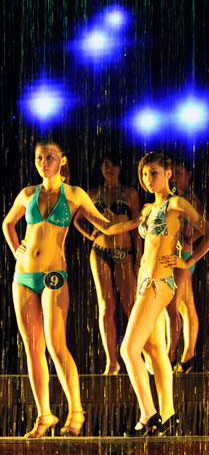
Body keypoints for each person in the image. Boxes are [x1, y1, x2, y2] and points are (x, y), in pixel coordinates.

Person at [2, 140, 139, 437]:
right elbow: (7, 223)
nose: (44, 162)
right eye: (39, 157)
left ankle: (76, 411)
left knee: (56, 344)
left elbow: (105, 226)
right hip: (23, 276)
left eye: (50, 157)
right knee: (33, 348)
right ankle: (45, 415)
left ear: (62, 160)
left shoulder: (74, 194)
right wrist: (15, 249)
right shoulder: (28, 194)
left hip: (53, 274)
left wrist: (137, 222)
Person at [120, 152, 209, 435]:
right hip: (144, 282)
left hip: (159, 283)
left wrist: (187, 261)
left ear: (168, 174)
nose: (148, 179)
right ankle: (168, 414)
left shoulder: (176, 204)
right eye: (144, 174)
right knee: (155, 351)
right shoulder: (148, 209)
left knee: (128, 349)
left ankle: (148, 414)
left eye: (154, 173)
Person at [74, 154, 142, 374]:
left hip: (124, 251)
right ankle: (111, 362)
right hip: (100, 251)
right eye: (105, 165)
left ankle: (140, 353)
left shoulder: (130, 194)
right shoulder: (93, 194)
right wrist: (90, 234)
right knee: (106, 306)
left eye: (113, 165)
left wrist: (139, 257)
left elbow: (137, 228)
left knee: (131, 305)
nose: (109, 169)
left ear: (120, 168)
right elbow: (77, 219)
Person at [167, 159, 205, 372]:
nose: (174, 178)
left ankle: (170, 355)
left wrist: (190, 238)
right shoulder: (177, 197)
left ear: (189, 174)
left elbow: (206, 223)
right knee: (186, 305)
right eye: (173, 174)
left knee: (174, 306)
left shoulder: (189, 198)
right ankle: (189, 355)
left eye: (179, 173)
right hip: (179, 254)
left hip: (182, 255)